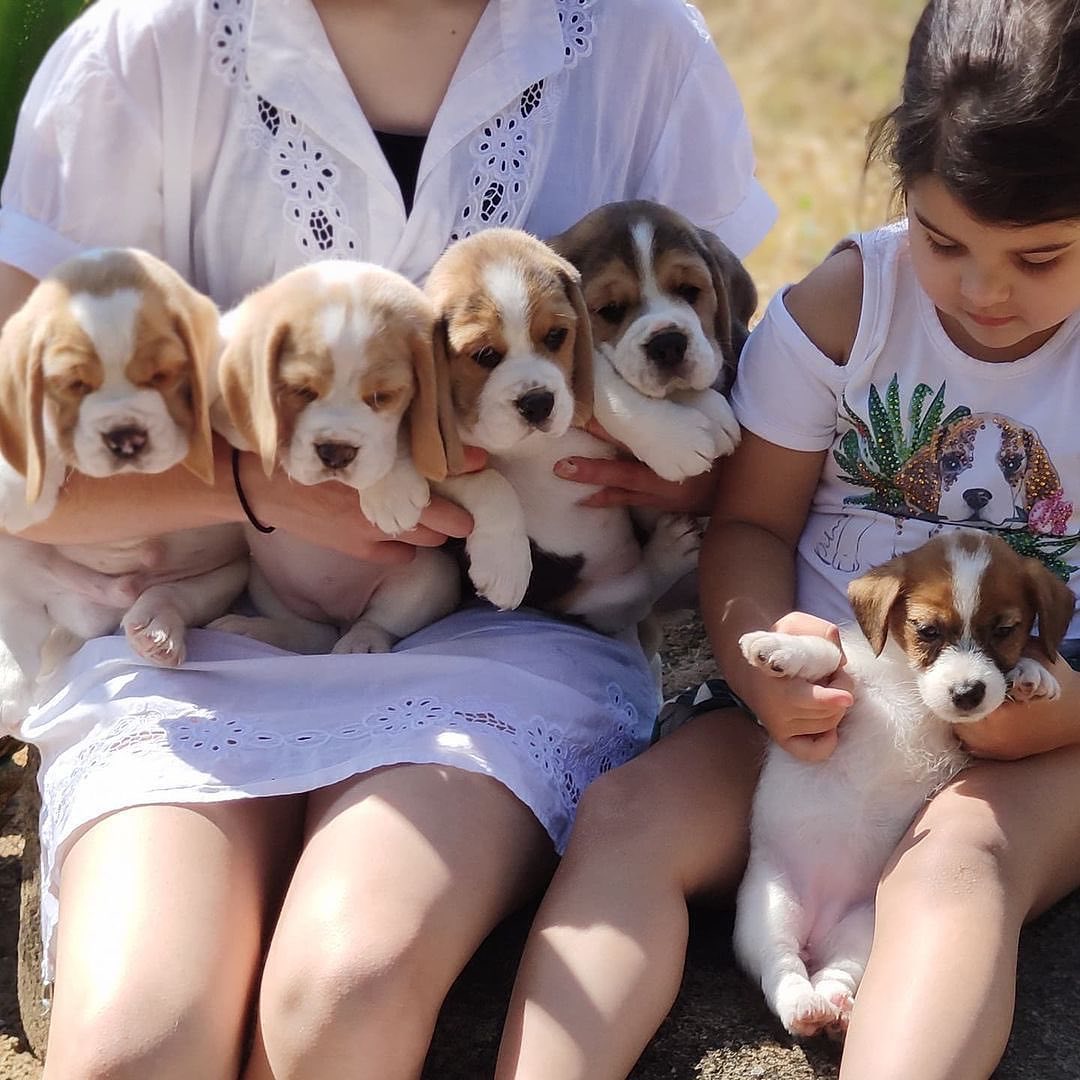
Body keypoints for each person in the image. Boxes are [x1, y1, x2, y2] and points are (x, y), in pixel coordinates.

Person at [0, 0, 775, 1076]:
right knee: (137, 1044)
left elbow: (754, 409)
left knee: (345, 989)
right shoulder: (144, 51)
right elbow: (14, 462)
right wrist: (249, 487)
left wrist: (673, 466)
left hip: (512, 633)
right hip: (205, 633)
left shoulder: (637, 43)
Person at [497, 1, 1080, 1078]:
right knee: (630, 818)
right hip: (817, 702)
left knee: (957, 863)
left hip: (1038, 734)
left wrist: (1062, 716)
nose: (986, 291)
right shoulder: (845, 305)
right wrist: (760, 658)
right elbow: (754, 521)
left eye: (1041, 256)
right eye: (946, 241)